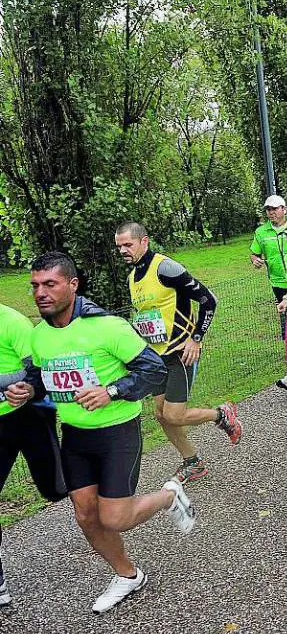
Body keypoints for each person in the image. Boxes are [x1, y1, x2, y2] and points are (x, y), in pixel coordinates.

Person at [28, 252, 196, 613]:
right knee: (86, 516)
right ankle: (128, 575)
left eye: (50, 284)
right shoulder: (39, 336)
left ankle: (168, 495)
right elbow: (41, 380)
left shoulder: (107, 327)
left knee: (116, 518)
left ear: (73, 285)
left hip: (118, 433)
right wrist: (28, 390)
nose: (41, 293)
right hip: (74, 435)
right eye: (36, 286)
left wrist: (112, 391)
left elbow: (153, 371)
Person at [115, 223, 241, 484]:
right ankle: (192, 462)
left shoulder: (165, 268)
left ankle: (221, 414)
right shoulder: (132, 278)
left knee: (173, 414)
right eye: (119, 247)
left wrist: (196, 339)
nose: (123, 251)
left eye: (128, 244)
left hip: (181, 353)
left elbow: (209, 300)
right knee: (161, 415)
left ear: (144, 241)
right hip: (156, 357)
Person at [0, 304, 67, 607]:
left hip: (28, 417)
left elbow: (38, 370)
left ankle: (105, 508)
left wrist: (26, 387)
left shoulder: (12, 322)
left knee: (55, 489)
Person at [249, 196, 287, 429]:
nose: (271, 213)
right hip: (281, 285)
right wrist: (255, 259)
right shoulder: (261, 232)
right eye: (268, 210)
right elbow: (254, 253)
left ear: (284, 209)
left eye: (275, 209)